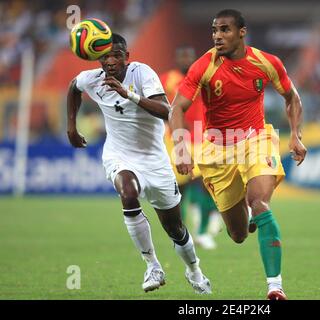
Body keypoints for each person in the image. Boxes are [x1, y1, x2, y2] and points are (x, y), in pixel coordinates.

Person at [169, 10, 307, 300]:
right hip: (217, 149)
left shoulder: (267, 62)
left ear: (242, 32)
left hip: (256, 139)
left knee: (259, 202)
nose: (217, 36)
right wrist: (181, 148)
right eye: (214, 31)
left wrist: (295, 135)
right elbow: (177, 108)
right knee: (238, 234)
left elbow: (291, 97)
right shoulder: (204, 65)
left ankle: (275, 286)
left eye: (225, 30)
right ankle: (245, 205)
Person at [66, 33, 211, 294]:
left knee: (175, 228)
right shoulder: (92, 79)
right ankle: (152, 265)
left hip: (154, 159)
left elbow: (165, 110)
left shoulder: (142, 74)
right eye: (105, 56)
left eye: (117, 55)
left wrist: (128, 94)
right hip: (119, 154)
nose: (111, 61)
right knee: (128, 193)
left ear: (127, 57)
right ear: (98, 58)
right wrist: (71, 128)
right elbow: (73, 87)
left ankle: (194, 270)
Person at [160, 45, 220, 250]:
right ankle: (180, 233)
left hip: (202, 137)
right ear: (177, 59)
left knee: (205, 185)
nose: (185, 60)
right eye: (182, 56)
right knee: (179, 190)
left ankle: (203, 232)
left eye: (188, 56)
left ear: (194, 58)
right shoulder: (167, 79)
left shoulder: (205, 79)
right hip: (176, 139)